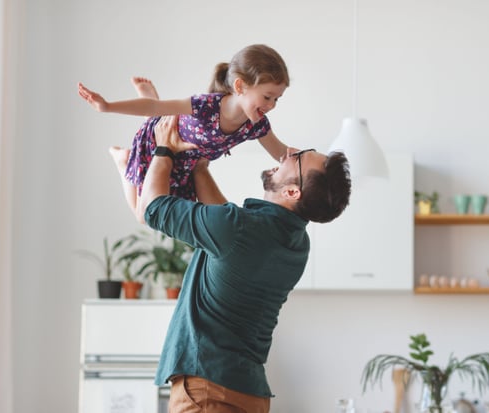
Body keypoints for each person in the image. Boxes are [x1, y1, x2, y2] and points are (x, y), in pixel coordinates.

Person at [139, 115, 351, 413]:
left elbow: (151, 207)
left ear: (292, 192)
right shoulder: (296, 244)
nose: (289, 152)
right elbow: (226, 230)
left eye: (299, 157)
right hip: (248, 393)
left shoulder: (238, 228)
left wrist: (164, 149)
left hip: (207, 389)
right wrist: (199, 168)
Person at [78, 44, 291, 221]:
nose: (272, 105)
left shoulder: (257, 125)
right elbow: (153, 108)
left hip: (185, 164)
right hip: (157, 145)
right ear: (240, 86)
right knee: (144, 216)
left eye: (277, 99)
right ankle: (123, 161)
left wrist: (321, 164)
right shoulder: (206, 106)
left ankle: (153, 102)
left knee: (172, 215)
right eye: (267, 97)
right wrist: (107, 106)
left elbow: (283, 153)